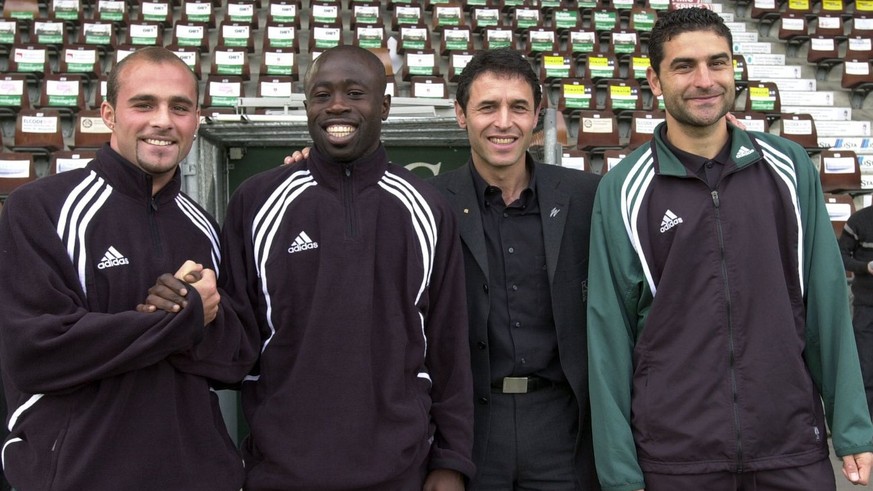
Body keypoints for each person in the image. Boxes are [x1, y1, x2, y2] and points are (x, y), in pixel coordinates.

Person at [587, 7, 873, 491]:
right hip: (676, 459)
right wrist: (619, 475)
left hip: (790, 449)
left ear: (734, 68)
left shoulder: (789, 167)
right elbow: (609, 337)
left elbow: (825, 303)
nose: (705, 80)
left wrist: (850, 428)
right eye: (684, 66)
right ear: (655, 81)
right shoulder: (622, 189)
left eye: (718, 63)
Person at [219, 45, 474, 490]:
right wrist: (186, 312)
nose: (337, 105)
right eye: (322, 95)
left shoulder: (428, 208)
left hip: (401, 471)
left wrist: (451, 459)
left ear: (385, 106)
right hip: (282, 471)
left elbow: (448, 343)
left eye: (355, 93)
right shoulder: (255, 202)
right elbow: (235, 339)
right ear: (306, 107)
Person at [0, 46, 256, 490]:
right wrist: (179, 320)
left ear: (196, 119)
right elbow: (36, 353)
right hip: (81, 476)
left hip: (198, 477)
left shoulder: (206, 229)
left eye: (180, 107)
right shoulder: (41, 209)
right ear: (108, 114)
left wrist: (205, 320)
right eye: (144, 104)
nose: (163, 121)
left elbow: (233, 362)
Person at [428, 48, 601, 490]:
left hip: (564, 429)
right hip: (470, 429)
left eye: (518, 107)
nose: (503, 122)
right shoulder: (426, 203)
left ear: (536, 115)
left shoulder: (589, 197)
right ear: (461, 114)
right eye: (488, 106)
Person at [840, 205, 873, 422]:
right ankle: (867, 428)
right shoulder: (858, 221)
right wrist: (865, 266)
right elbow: (840, 255)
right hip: (866, 308)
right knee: (866, 370)